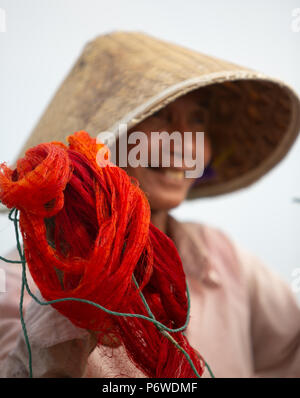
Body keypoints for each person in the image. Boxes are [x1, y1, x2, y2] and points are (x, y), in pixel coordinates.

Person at [0, 31, 300, 378]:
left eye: (198, 120)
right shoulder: (19, 283)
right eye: (161, 116)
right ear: (100, 139)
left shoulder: (219, 257)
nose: (184, 142)